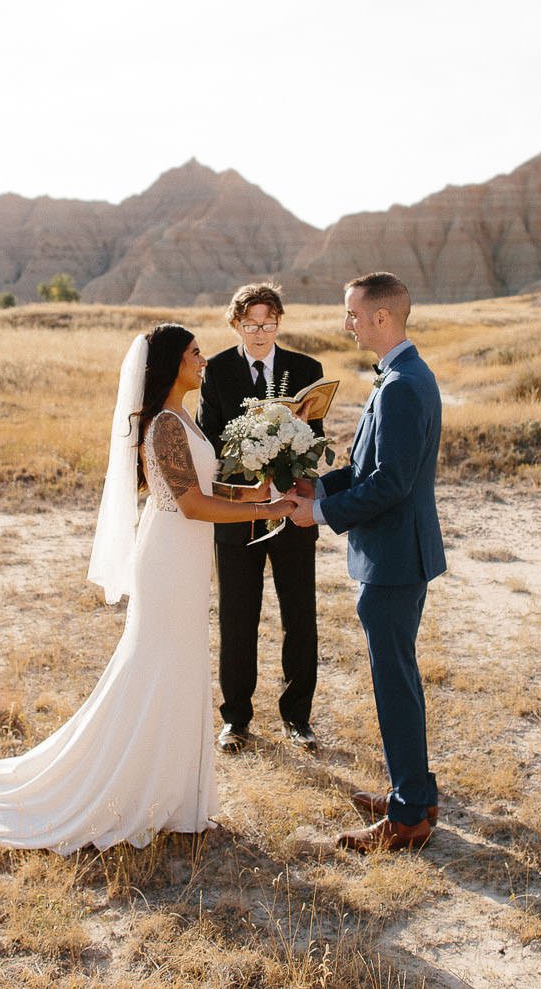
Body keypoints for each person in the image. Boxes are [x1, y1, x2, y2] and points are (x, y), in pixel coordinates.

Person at [0, 324, 294, 853]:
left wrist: (257, 487)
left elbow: (206, 487)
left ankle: (175, 793)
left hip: (186, 557)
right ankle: (135, 788)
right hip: (169, 558)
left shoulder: (183, 418)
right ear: (170, 364)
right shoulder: (164, 425)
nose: (204, 359)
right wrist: (265, 510)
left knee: (182, 663)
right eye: (194, 353)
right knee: (159, 663)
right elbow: (190, 505)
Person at [285, 272, 445, 852]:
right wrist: (315, 489)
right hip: (397, 554)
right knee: (398, 675)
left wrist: (319, 518)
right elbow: (364, 469)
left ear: (382, 317)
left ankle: (406, 819)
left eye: (353, 314)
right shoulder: (401, 376)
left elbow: (391, 484)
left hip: (395, 558)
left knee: (393, 682)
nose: (347, 323)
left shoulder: (402, 385)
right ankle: (416, 793)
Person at [198, 282, 325, 754]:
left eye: (269, 323)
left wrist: (297, 478)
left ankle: (298, 719)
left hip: (291, 511)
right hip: (236, 516)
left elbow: (315, 438)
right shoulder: (216, 371)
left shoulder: (306, 369)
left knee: (300, 617)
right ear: (236, 324)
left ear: (279, 323)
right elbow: (210, 438)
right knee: (237, 618)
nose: (260, 332)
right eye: (251, 324)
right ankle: (236, 720)